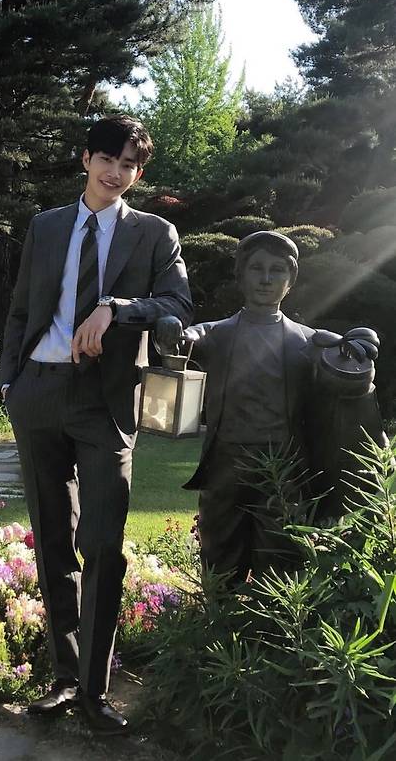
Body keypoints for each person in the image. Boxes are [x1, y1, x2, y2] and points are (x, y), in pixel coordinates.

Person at [0, 115, 192, 733]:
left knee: (103, 543)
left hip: (104, 402)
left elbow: (178, 302)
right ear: (86, 158)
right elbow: (22, 308)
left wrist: (116, 307)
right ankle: (63, 679)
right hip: (38, 390)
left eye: (128, 164)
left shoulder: (154, 233)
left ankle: (93, 690)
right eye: (107, 158)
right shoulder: (47, 225)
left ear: (139, 172)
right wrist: (10, 382)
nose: (116, 172)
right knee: (52, 540)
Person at [156, 230, 385, 584]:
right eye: (256, 268)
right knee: (218, 557)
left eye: (277, 270)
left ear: (290, 281)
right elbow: (183, 340)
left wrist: (363, 340)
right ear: (240, 276)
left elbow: (354, 352)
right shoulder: (215, 334)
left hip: (285, 469)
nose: (265, 278)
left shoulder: (308, 341)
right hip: (225, 467)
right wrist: (171, 332)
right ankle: (218, 617)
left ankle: (274, 621)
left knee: (282, 563)